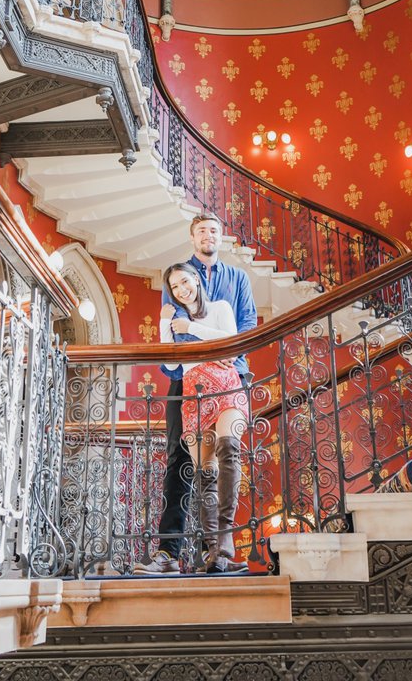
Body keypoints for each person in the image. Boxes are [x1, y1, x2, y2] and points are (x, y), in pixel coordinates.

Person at [139, 213, 257, 575]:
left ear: (220, 238)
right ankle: (169, 552)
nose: (208, 235)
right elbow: (170, 328)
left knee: (227, 451)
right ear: (192, 238)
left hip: (227, 374)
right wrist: (181, 350)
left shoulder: (235, 278)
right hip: (188, 378)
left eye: (214, 231)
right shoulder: (177, 275)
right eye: (202, 230)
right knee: (180, 458)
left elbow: (245, 324)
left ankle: (218, 549)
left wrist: (225, 355)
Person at [159, 262, 248, 573]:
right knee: (204, 474)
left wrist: (192, 329)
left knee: (229, 450)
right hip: (194, 393)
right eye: (175, 287)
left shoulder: (221, 307)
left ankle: (225, 539)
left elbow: (231, 347)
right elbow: (170, 363)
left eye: (185, 281)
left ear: (196, 279)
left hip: (225, 384)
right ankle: (215, 553)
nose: (182, 289)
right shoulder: (175, 320)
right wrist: (164, 323)